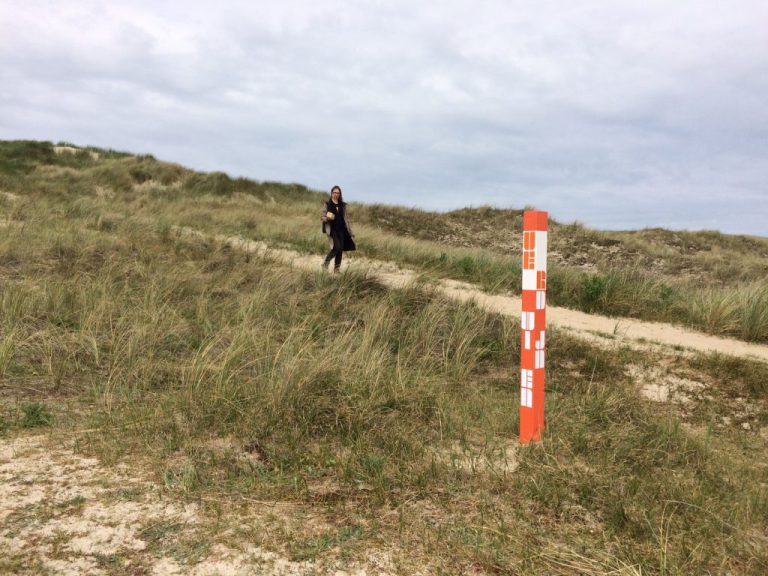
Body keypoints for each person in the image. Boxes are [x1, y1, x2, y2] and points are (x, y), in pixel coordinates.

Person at [321, 185, 356, 272]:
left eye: (338, 193)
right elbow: (322, 217)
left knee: (340, 250)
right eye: (334, 192)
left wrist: (351, 231)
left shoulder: (342, 205)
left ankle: (336, 269)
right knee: (337, 248)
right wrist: (327, 218)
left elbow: (347, 219)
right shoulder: (327, 204)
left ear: (340, 194)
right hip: (332, 229)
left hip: (342, 229)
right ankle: (325, 263)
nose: (336, 194)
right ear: (331, 193)